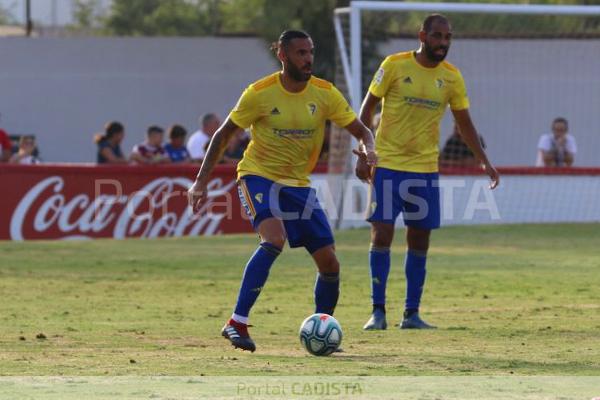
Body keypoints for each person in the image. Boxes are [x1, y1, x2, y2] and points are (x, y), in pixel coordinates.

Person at [188, 30, 377, 352]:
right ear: (284, 56)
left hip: (298, 185)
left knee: (330, 264)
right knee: (274, 238)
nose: (308, 59)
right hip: (258, 176)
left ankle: (323, 328)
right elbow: (222, 136)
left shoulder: (325, 93)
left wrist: (368, 152)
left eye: (311, 52)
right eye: (301, 53)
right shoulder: (259, 93)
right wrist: (200, 181)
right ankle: (237, 322)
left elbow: (362, 131)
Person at [357, 14, 499, 330]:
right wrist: (365, 152)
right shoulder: (393, 65)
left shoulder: (451, 77)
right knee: (381, 233)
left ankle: (411, 314)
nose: (443, 43)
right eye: (437, 36)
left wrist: (484, 161)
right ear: (422, 35)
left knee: (420, 239)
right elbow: (366, 109)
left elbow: (464, 124)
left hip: (424, 170)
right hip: (388, 166)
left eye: (448, 38)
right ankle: (377, 311)